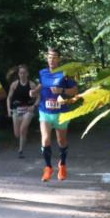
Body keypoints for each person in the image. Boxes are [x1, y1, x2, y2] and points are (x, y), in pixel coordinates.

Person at [30, 47, 79, 182]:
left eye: (54, 57)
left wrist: (61, 90)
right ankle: (48, 167)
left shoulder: (65, 73)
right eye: (49, 57)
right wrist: (35, 91)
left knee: (61, 141)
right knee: (45, 139)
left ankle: (62, 165)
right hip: (45, 111)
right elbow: (42, 85)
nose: (51, 59)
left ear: (59, 59)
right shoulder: (43, 72)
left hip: (61, 113)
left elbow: (75, 90)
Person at [5, 64, 36, 158]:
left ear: (27, 74)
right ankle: (24, 135)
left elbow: (39, 97)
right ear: (18, 74)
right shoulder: (14, 84)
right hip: (16, 110)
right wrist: (8, 109)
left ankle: (20, 150)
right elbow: (9, 98)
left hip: (28, 110)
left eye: (24, 73)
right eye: (21, 73)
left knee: (22, 129)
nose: (22, 75)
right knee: (17, 133)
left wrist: (34, 106)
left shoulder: (31, 84)